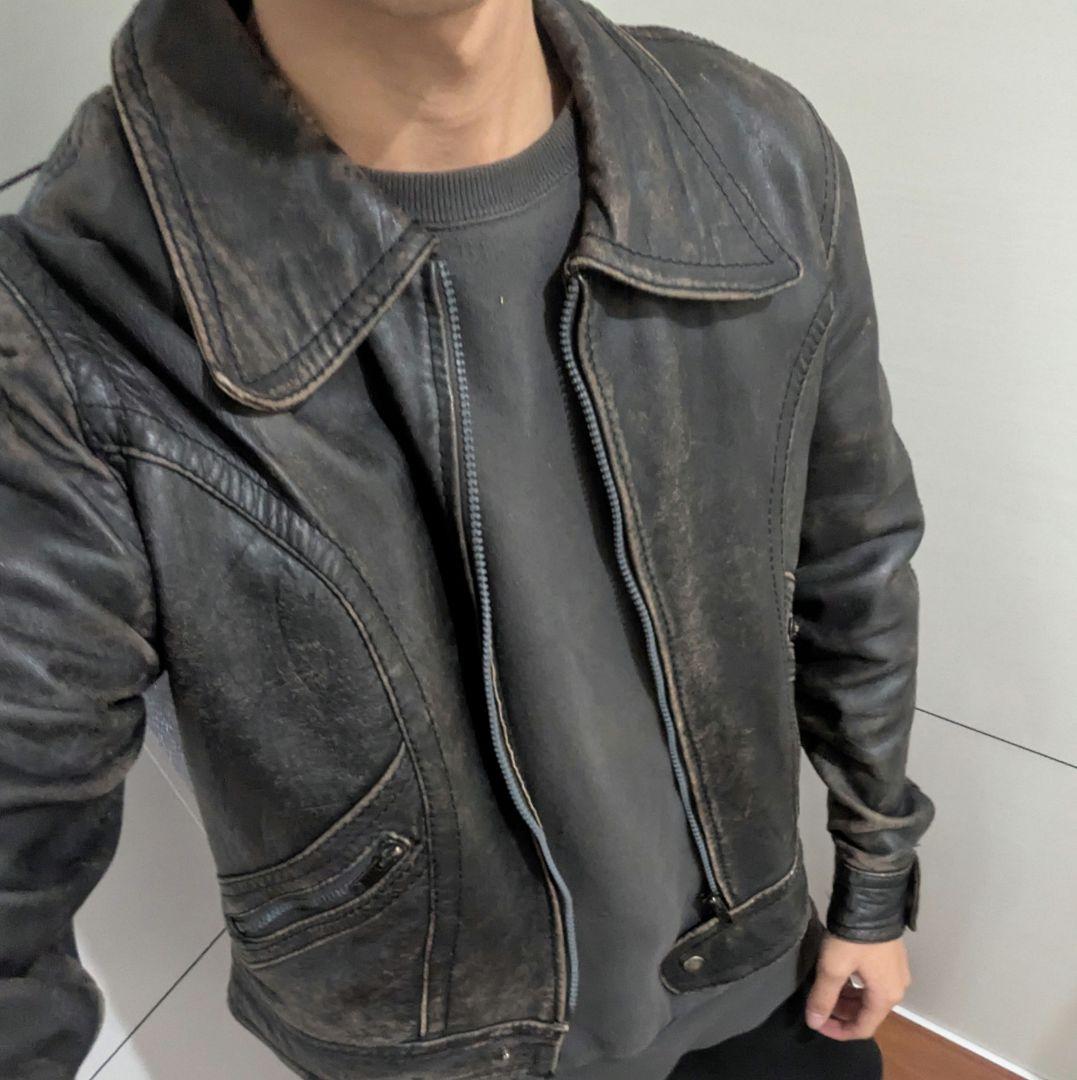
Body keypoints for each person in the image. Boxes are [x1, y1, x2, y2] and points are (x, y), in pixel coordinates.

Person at [0, 0, 935, 1077]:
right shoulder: (61, 327)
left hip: (755, 969)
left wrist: (873, 879)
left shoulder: (754, 150)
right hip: (438, 1053)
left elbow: (856, 556)